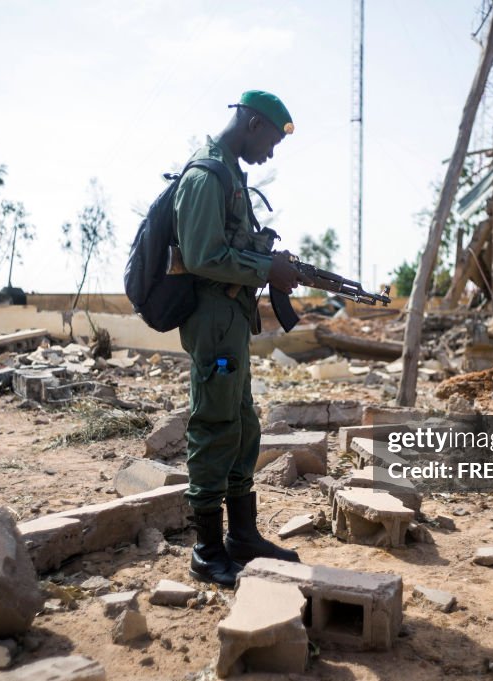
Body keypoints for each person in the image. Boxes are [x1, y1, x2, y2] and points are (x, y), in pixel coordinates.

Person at [174, 91, 308, 587]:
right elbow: (203, 253)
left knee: (243, 423)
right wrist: (263, 267)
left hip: (232, 318)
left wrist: (272, 263)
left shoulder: (230, 173)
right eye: (271, 141)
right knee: (214, 422)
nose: (270, 153)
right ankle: (207, 550)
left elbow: (230, 246)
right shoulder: (206, 174)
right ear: (252, 123)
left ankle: (242, 536)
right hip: (212, 319)